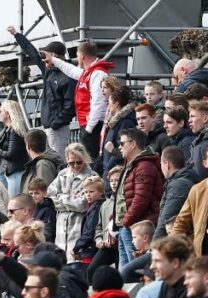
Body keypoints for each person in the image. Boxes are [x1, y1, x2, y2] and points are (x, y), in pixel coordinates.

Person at [9, 26, 76, 157]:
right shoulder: (48, 71)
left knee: (57, 162)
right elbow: (32, 53)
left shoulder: (68, 75)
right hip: (48, 127)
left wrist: (56, 123)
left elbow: (70, 106)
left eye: (46, 55)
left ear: (55, 56)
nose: (44, 58)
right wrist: (17, 35)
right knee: (48, 161)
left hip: (58, 128)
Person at [49, 41, 113, 163]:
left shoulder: (97, 73)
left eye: (78, 55)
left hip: (94, 124)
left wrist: (88, 129)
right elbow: (71, 70)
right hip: (89, 123)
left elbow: (98, 103)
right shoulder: (89, 72)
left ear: (82, 56)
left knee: (91, 160)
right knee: (88, 159)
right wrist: (53, 59)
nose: (77, 58)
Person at [114, 128, 164, 266]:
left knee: (134, 273)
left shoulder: (144, 166)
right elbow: (122, 196)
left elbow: (141, 200)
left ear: (133, 144)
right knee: (125, 275)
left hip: (137, 227)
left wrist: (125, 221)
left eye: (122, 143)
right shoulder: (132, 165)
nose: (119, 147)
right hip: (129, 226)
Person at [47, 143, 99, 261]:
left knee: (75, 262)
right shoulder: (62, 174)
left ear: (84, 159)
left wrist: (61, 197)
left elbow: (82, 205)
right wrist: (71, 200)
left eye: (79, 162)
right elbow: (49, 197)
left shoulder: (92, 176)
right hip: (60, 228)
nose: (75, 165)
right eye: (71, 163)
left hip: (78, 226)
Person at [171, 146, 208, 256]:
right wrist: (172, 248)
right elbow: (181, 222)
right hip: (202, 255)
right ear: (205, 163)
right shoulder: (197, 190)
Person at [0, 100, 29, 198]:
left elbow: (12, 153)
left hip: (15, 172)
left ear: (8, 114)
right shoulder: (7, 129)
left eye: (1, 111)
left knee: (14, 200)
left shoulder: (14, 130)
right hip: (9, 171)